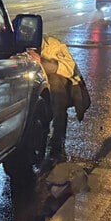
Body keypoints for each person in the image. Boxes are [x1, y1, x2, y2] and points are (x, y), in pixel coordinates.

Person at [40, 35, 90, 164]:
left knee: (57, 88)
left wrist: (42, 62)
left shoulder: (52, 44)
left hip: (61, 86)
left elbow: (69, 68)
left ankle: (57, 144)